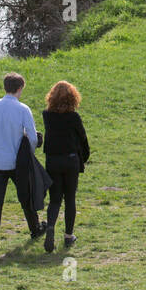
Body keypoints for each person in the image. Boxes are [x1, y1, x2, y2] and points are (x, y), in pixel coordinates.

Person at [0, 71, 46, 251]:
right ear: (19, 88)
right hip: (18, 163)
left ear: (5, 87)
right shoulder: (23, 109)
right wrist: (28, 155)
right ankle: (35, 229)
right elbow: (32, 137)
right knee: (26, 197)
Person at [41, 80, 91, 253]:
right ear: (73, 97)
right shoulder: (73, 117)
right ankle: (68, 236)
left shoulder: (46, 115)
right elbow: (82, 138)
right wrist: (84, 157)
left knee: (55, 199)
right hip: (70, 160)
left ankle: (50, 227)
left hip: (52, 160)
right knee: (70, 198)